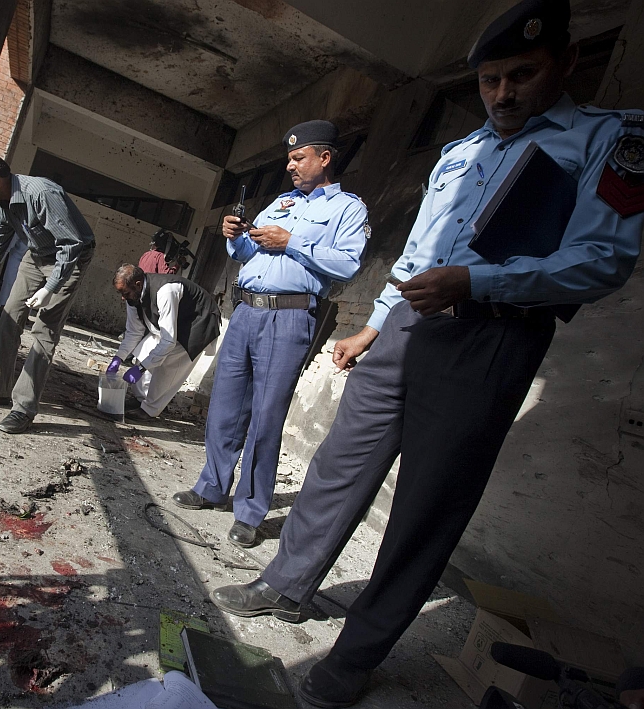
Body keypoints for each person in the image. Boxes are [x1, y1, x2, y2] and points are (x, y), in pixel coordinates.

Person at [206, 1, 644, 705]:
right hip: (408, 324)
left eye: (523, 75)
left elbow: (603, 260)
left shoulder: (608, 136)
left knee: (425, 504)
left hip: (493, 333)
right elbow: (417, 253)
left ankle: (356, 655)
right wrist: (375, 325)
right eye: (490, 80)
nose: (503, 93)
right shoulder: (460, 151)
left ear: (564, 63)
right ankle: (285, 584)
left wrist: (477, 282)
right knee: (339, 463)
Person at [171, 119, 369, 549]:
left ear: (325, 157)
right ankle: (211, 486)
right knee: (225, 407)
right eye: (289, 159)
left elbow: (348, 265)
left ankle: (249, 511)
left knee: (266, 417)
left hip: (289, 317)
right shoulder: (280, 202)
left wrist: (291, 241)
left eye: (299, 158)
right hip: (246, 312)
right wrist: (235, 239)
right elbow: (250, 253)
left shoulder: (348, 209)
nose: (291, 166)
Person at [0, 151, 96, 434]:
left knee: (44, 332)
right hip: (36, 256)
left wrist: (50, 287)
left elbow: (71, 244)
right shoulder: (2, 208)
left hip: (71, 258)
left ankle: (23, 409)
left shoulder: (42, 193)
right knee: (9, 317)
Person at [108, 264, 221, 421]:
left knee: (169, 367)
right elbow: (134, 332)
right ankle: (141, 399)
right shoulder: (132, 297)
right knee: (143, 353)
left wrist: (140, 369)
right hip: (169, 329)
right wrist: (118, 357)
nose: (122, 297)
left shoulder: (166, 291)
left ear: (138, 285)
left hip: (196, 325)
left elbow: (168, 341)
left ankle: (150, 409)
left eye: (125, 293)